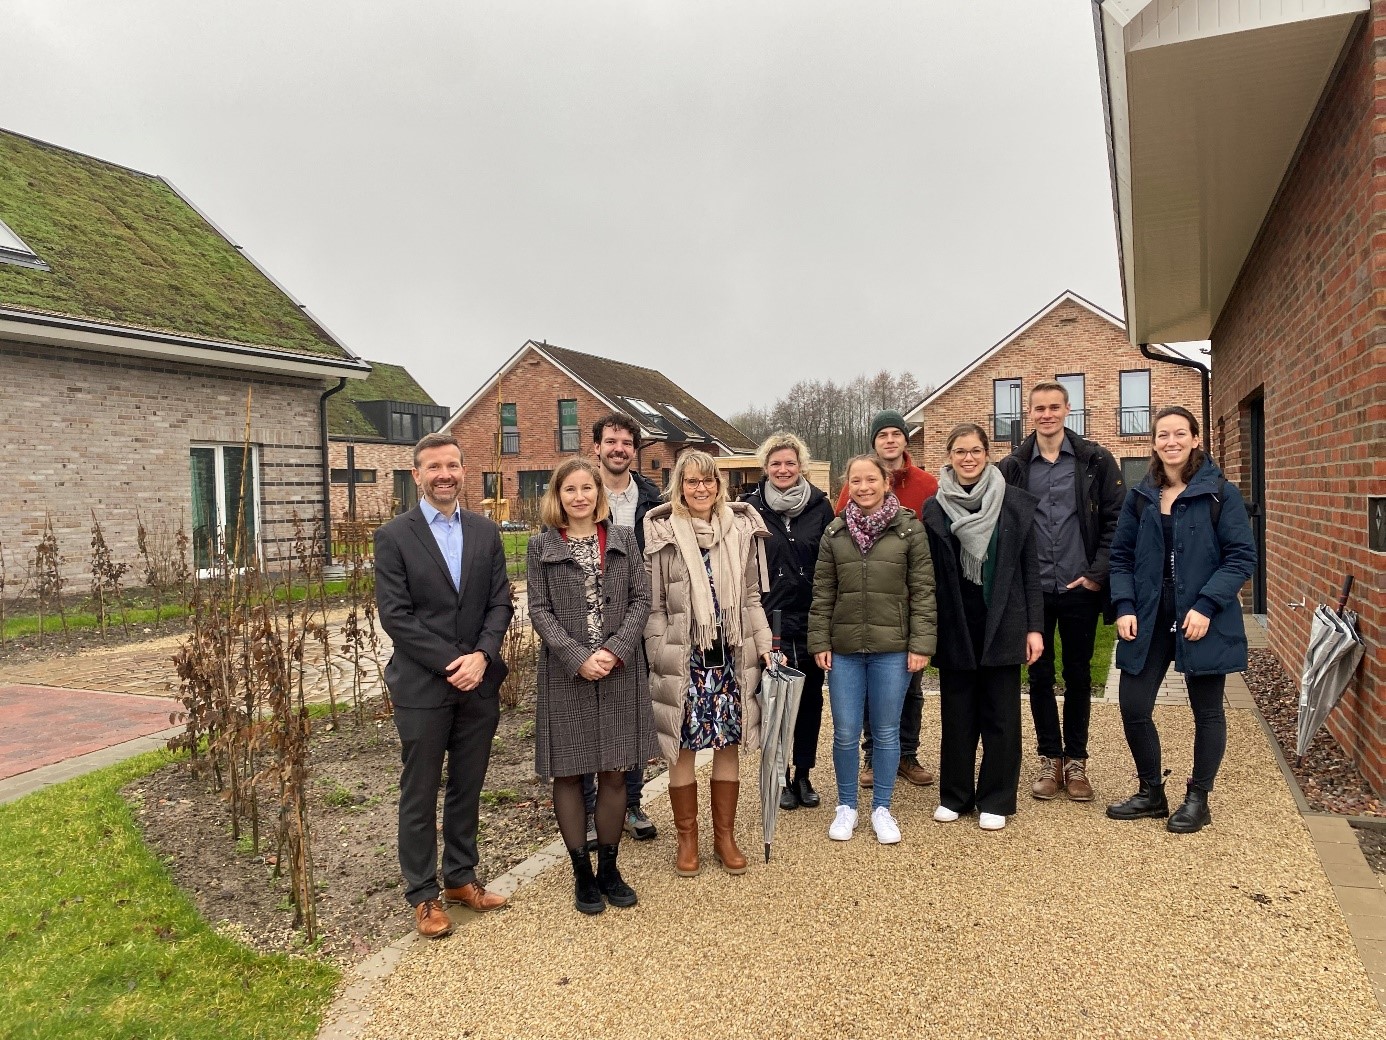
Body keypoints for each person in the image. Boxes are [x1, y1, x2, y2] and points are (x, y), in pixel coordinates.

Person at [374, 433, 513, 938]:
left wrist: (482, 656)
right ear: (417, 475)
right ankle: (423, 895)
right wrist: (455, 661)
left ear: (463, 470)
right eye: (434, 467)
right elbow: (397, 616)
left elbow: (501, 601)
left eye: (452, 465)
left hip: (478, 684)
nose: (445, 475)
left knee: (467, 786)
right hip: (423, 686)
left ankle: (460, 878)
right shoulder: (394, 536)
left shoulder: (484, 531)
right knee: (420, 791)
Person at [1106, 406, 1256, 833]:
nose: (1170, 441)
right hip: (1150, 615)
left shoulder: (1219, 493)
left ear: (1194, 439)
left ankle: (1198, 797)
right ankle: (1151, 792)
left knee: (1207, 710)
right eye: (1162, 435)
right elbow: (1120, 558)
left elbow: (1241, 557)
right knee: (1133, 704)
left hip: (1201, 615)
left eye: (1179, 433)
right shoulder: (1141, 496)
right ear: (1153, 443)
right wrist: (1125, 605)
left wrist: (1207, 605)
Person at [527, 458, 656, 914]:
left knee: (615, 770)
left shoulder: (622, 540)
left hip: (619, 670)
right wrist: (578, 658)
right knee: (569, 770)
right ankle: (581, 871)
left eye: (587, 488)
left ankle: (610, 867)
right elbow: (539, 610)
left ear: (599, 494)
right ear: (557, 497)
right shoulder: (541, 546)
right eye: (570, 490)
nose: (579, 497)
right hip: (568, 674)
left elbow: (643, 598)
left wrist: (616, 649)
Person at [643, 449, 775, 876]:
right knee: (681, 747)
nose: (701, 488)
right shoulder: (663, 533)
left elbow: (753, 596)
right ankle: (688, 840)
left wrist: (764, 643)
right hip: (685, 657)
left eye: (709, 481)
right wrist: (660, 649)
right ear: (679, 486)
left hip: (731, 656)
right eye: (692, 481)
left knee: (728, 742)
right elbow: (654, 605)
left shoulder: (741, 531)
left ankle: (725, 836)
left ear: (719, 485)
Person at [997, 381, 1124, 803]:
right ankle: (1050, 757)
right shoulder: (1012, 466)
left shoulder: (1095, 460)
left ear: (1068, 409)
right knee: (1038, 673)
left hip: (1078, 587)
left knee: (1078, 674)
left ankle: (1077, 761)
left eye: (1054, 407)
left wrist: (1096, 574)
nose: (1047, 414)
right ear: (1029, 413)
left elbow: (1115, 520)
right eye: (1039, 408)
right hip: (1033, 589)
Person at [810, 454, 935, 845]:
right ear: (848, 486)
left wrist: (920, 644)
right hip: (844, 649)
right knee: (846, 732)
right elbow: (823, 592)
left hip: (893, 649)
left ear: (885, 482)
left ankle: (882, 807)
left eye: (871, 480)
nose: (864, 487)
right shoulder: (834, 533)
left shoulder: (909, 531)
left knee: (885, 731)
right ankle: (846, 805)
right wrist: (820, 641)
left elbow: (923, 592)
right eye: (856, 481)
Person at [923, 424, 1043, 831]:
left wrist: (1035, 629)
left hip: (1004, 621)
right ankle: (955, 795)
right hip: (956, 622)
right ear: (950, 456)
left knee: (1002, 717)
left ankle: (996, 798)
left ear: (987, 454)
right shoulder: (935, 507)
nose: (968, 458)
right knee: (957, 715)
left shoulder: (1014, 504)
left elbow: (1031, 571)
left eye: (975, 450)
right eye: (960, 451)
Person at [835, 410, 940, 790]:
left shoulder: (927, 485)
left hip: (904, 602)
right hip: (863, 607)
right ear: (875, 442)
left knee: (909, 688)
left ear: (905, 440)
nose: (891, 440)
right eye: (883, 435)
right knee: (866, 687)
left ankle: (906, 753)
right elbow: (840, 541)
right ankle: (871, 755)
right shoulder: (856, 484)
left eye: (897, 433)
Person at [578, 411, 665, 844]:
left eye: (627, 443)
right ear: (597, 447)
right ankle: (592, 808)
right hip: (587, 622)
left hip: (638, 617)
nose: (618, 449)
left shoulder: (654, 499)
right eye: (611, 441)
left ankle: (630, 802)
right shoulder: (577, 493)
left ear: (634, 450)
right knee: (587, 714)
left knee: (633, 711)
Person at [741, 432, 836, 811]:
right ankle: (777, 775)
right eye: (776, 463)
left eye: (790, 463)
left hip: (811, 617)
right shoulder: (749, 509)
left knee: (811, 699)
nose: (783, 469)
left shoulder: (820, 508)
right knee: (775, 699)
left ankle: (803, 773)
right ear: (766, 467)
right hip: (771, 620)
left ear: (802, 467)